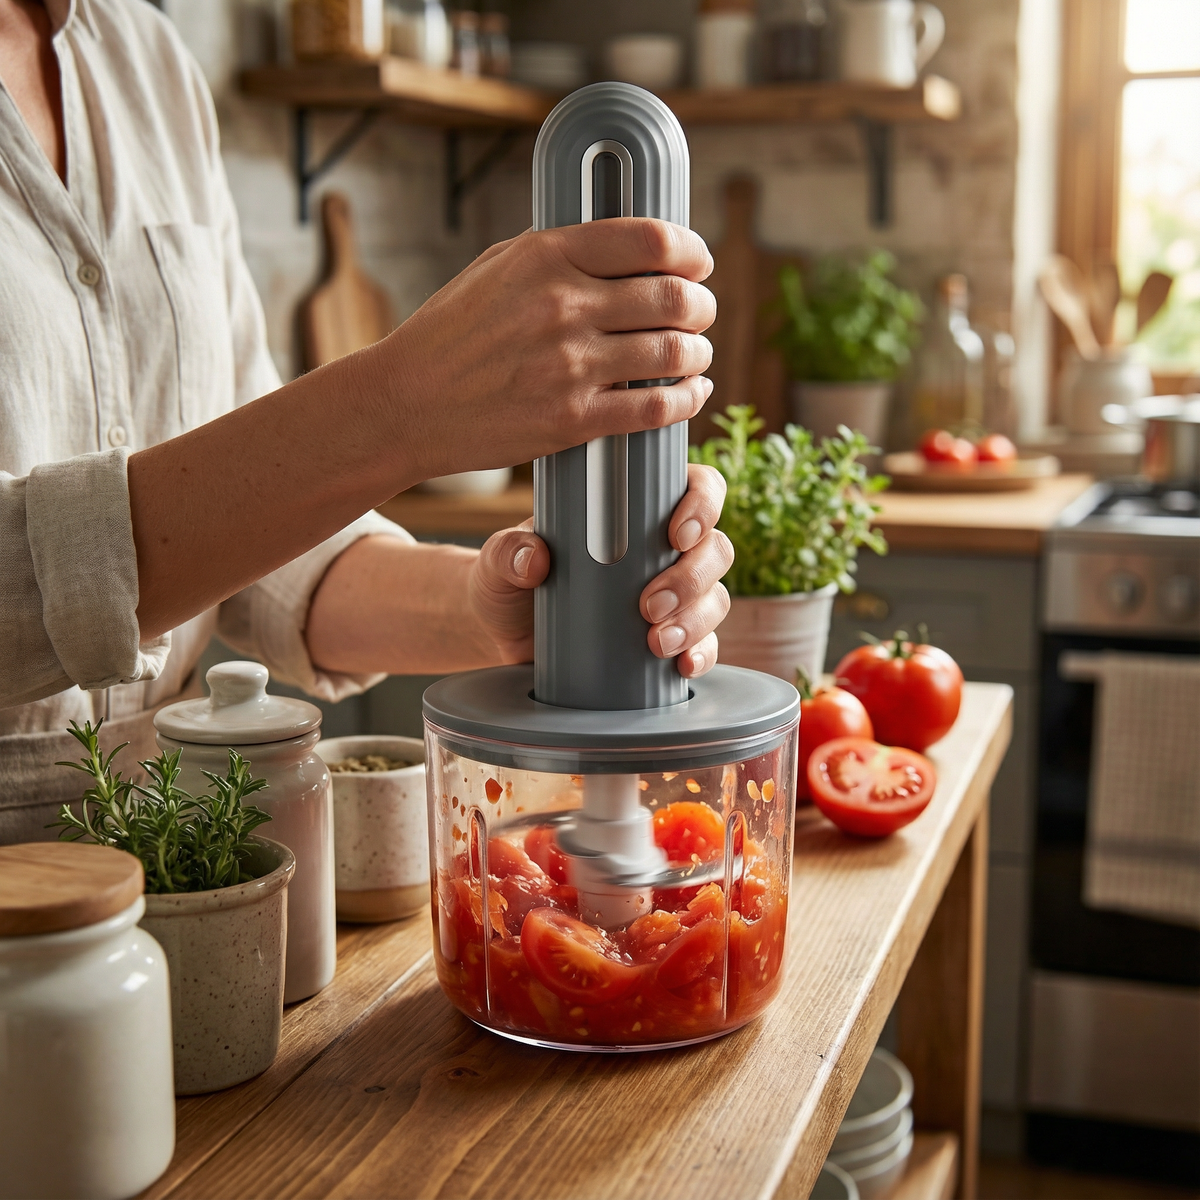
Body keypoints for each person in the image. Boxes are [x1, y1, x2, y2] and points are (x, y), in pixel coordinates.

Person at [0, 0, 732, 841]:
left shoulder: (144, 58)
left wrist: (504, 606)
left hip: (183, 841)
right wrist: (402, 402)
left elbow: (255, 538)